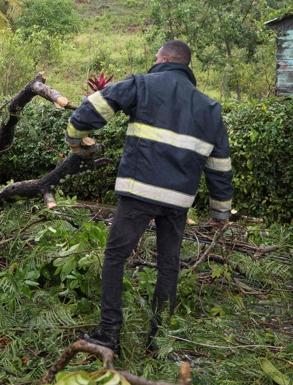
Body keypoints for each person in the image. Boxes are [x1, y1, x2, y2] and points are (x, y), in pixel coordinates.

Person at [65, 40, 234, 354]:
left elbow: (94, 107)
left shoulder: (143, 84)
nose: (153, 61)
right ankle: (159, 342)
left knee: (116, 257)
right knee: (169, 266)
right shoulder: (210, 108)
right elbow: (220, 166)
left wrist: (75, 137)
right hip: (178, 202)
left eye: (156, 57)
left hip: (139, 191)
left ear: (166, 58)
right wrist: (220, 213)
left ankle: (108, 334)